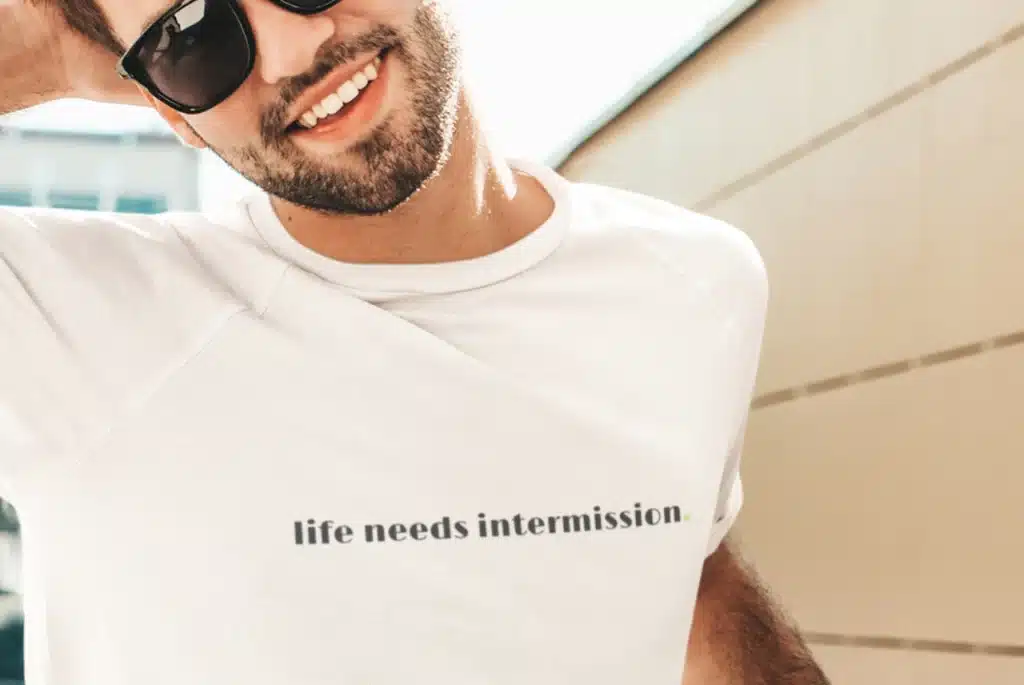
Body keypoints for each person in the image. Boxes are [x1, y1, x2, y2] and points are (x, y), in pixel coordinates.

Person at [0, 1, 830, 683]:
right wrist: (47, 48)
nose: (293, 52)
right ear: (169, 113)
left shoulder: (694, 284)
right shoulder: (63, 320)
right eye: (191, 36)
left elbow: (686, 575)